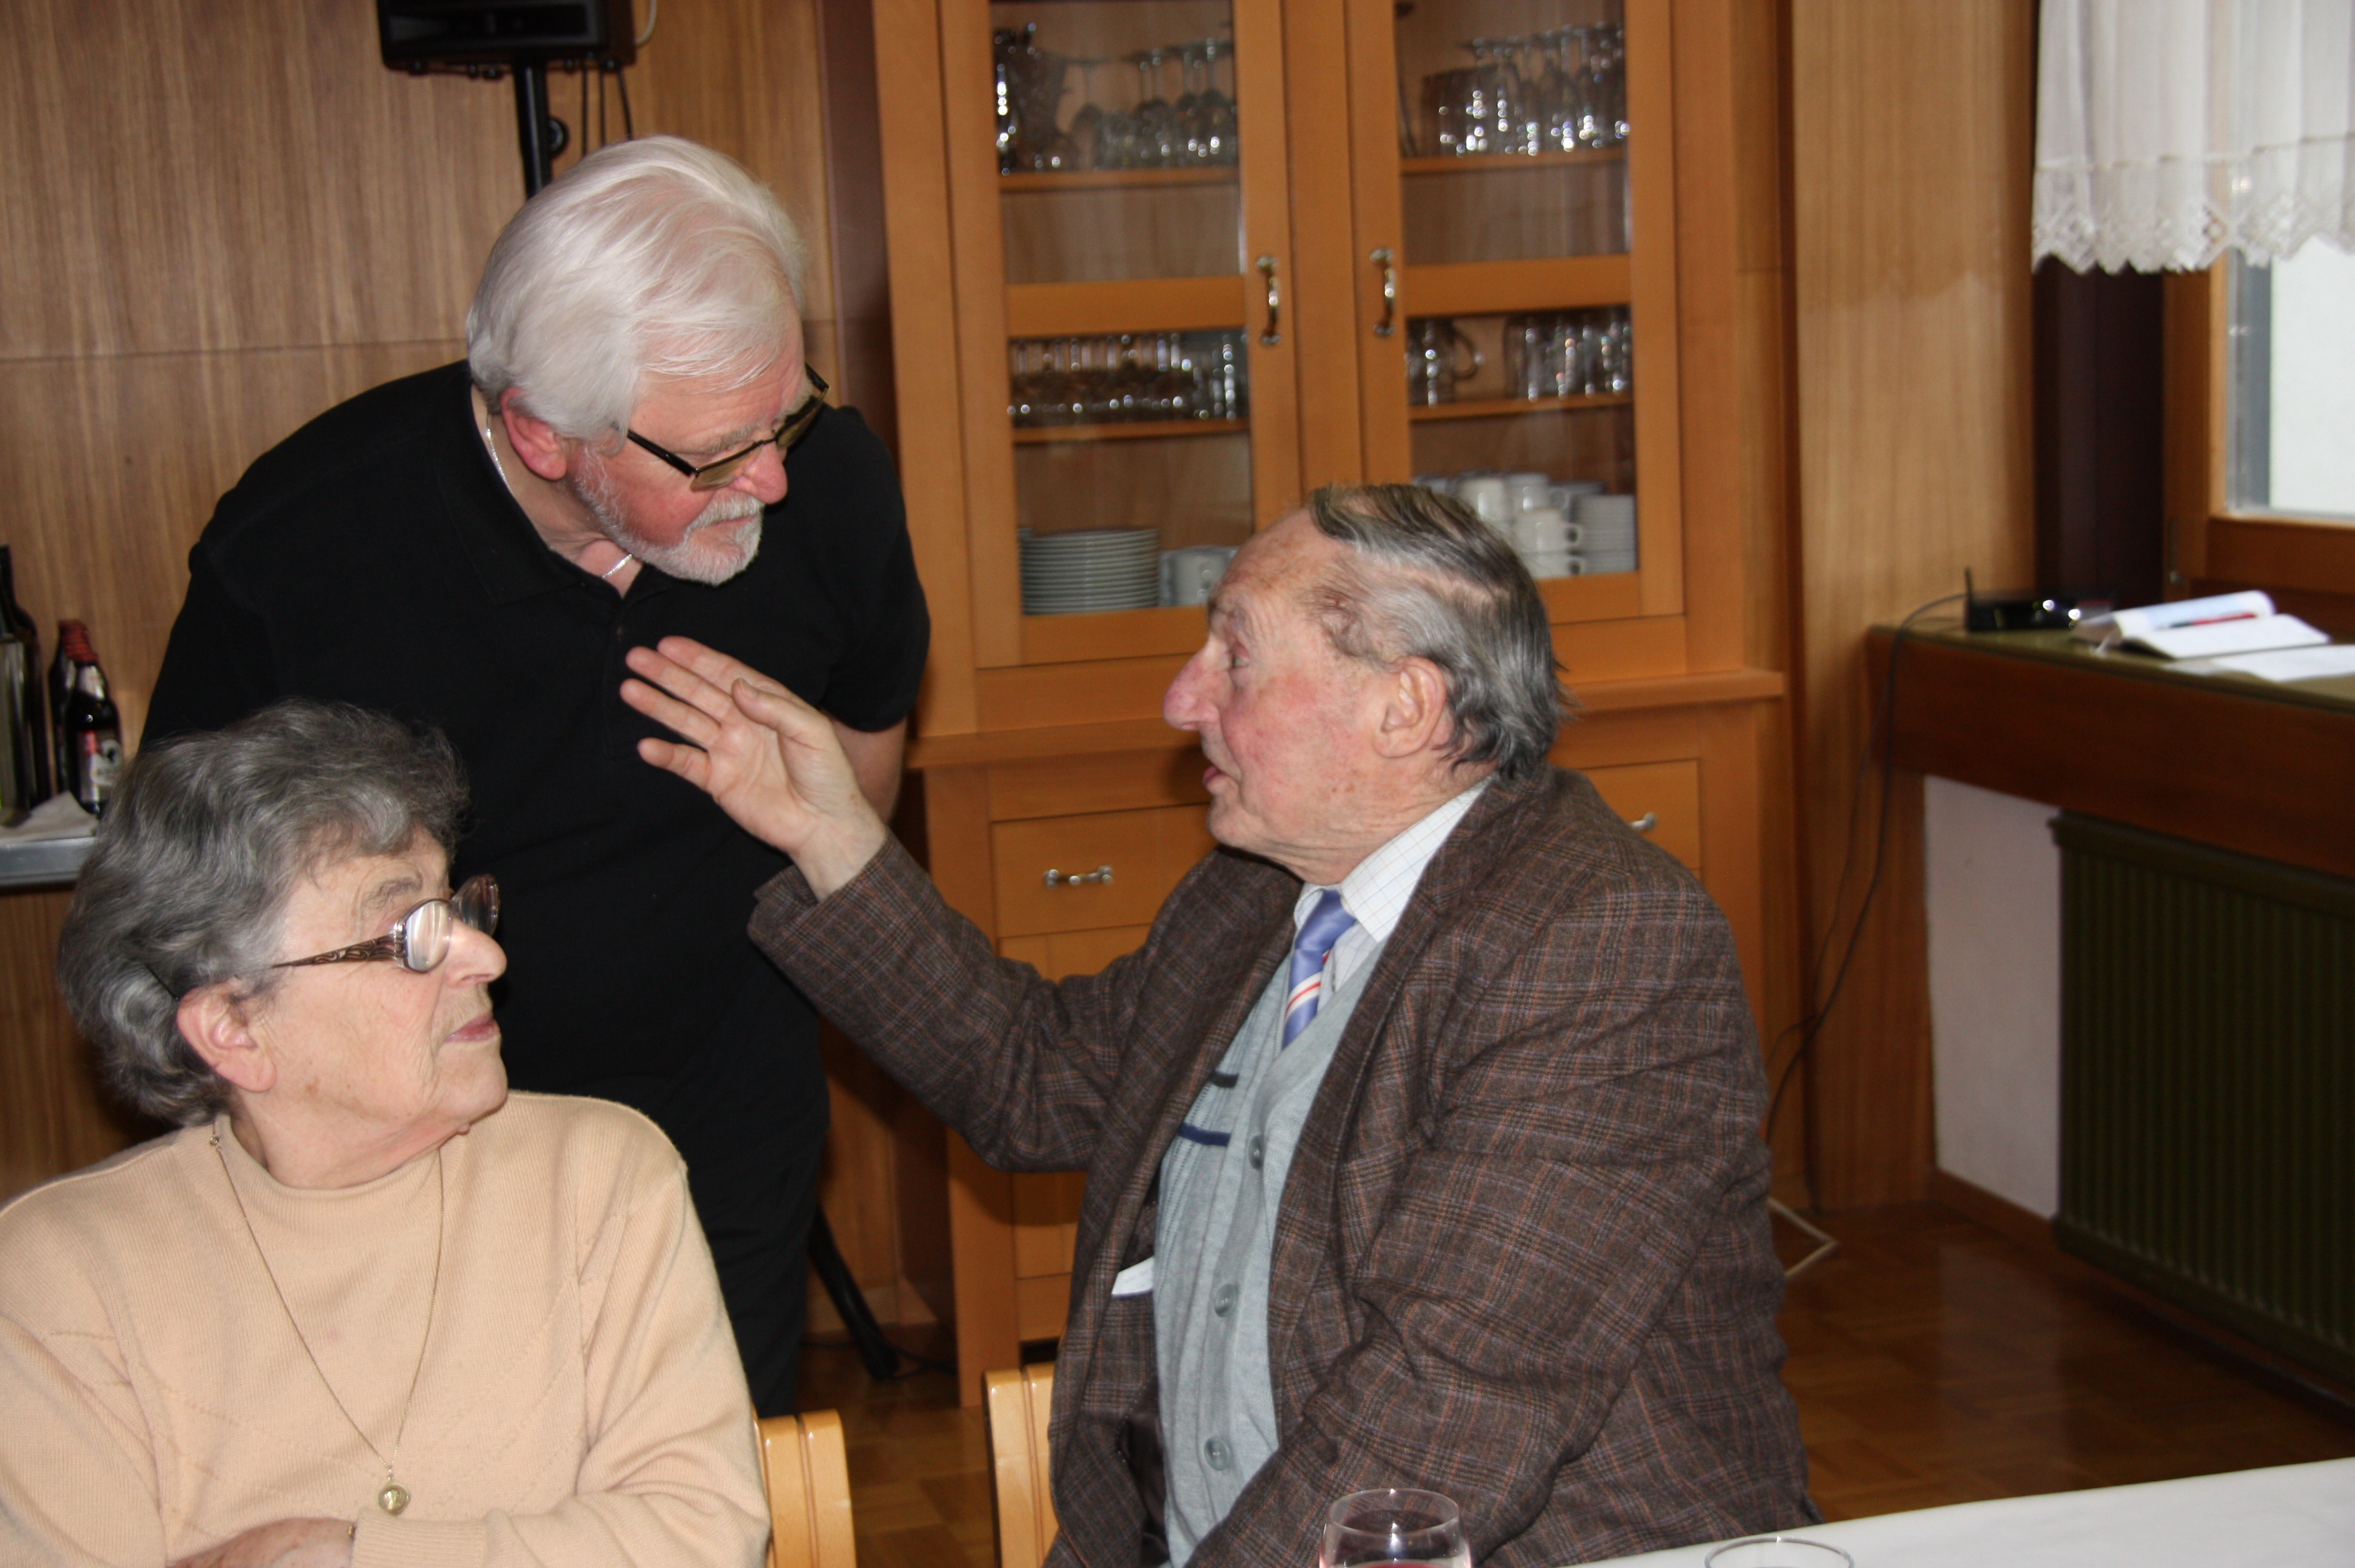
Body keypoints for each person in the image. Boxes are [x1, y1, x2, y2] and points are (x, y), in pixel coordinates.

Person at [618, 484, 1818, 1566]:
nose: (1181, 698)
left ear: (1404, 708)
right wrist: (829, 832)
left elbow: (1448, 1407)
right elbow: (1031, 1078)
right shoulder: (1252, 894)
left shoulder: (1602, 944)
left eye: (1234, 658)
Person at [143, 136, 930, 1415]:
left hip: (723, 1131)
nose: (775, 477)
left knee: (704, 1489)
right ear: (543, 434)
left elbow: (864, 780)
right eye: (717, 453)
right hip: (413, 1157)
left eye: (784, 415)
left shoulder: (826, 484)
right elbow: (192, 921)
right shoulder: (303, 550)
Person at [0, 700, 767, 1568]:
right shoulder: (60, 1279)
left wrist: (354, 1555)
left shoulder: (599, 1177)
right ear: (234, 1029)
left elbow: (703, 1540)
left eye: (458, 907)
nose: (488, 957)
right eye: (412, 936)